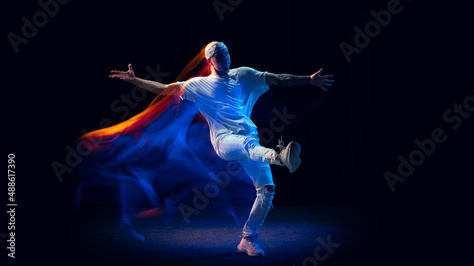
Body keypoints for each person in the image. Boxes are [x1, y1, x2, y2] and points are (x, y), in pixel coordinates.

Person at [108, 41, 333, 256]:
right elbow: (165, 88)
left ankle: (248, 238)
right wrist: (136, 81)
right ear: (209, 61)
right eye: (217, 55)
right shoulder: (198, 85)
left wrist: (308, 80)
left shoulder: (244, 74)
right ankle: (279, 155)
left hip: (249, 139)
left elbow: (278, 79)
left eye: (225, 52)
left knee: (266, 190)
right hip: (225, 141)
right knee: (249, 146)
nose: (223, 57)